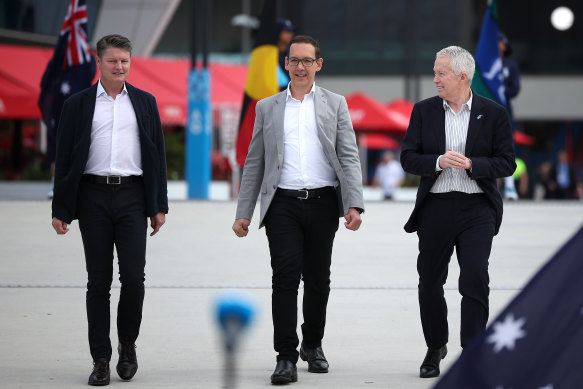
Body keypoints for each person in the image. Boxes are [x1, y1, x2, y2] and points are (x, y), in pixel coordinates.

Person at [232, 35, 364, 385]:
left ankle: (313, 345)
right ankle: (286, 355)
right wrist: (244, 211)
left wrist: (354, 203)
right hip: (282, 205)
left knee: (318, 280)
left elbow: (349, 156)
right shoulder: (267, 107)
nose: (300, 67)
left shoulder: (336, 104)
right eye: (294, 60)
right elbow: (254, 162)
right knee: (285, 278)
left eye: (307, 61)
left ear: (318, 64)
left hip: (323, 203)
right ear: (285, 64)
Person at [51, 34, 168, 386]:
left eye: (125, 61)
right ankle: (100, 358)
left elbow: (157, 156)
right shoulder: (77, 104)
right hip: (92, 198)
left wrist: (157, 206)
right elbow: (65, 158)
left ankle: (127, 344)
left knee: (133, 278)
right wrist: (61, 208)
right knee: (98, 282)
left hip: (133, 196)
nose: (120, 67)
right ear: (99, 62)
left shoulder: (146, 103)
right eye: (113, 61)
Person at [400, 46, 516, 379]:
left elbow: (507, 162)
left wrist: (473, 164)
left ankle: (473, 352)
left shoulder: (493, 113)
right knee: (430, 282)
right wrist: (436, 161)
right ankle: (436, 346)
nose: (434, 79)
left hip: (477, 207)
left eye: (441, 73)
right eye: (435, 72)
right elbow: (408, 158)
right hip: (435, 207)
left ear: (462, 76)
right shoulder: (423, 111)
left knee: (475, 276)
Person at [498, 32, 522, 200]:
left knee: (507, 147)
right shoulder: (483, 64)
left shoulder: (510, 65)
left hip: (504, 110)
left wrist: (500, 92)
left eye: (500, 42)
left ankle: (509, 186)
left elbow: (515, 89)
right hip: (485, 110)